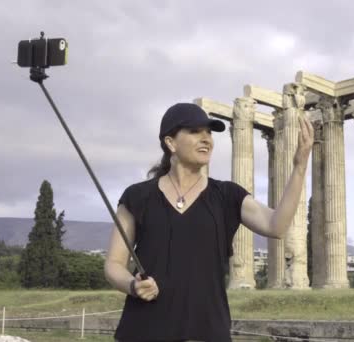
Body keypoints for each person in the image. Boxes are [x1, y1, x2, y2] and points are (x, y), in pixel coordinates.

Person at [104, 102, 313, 342]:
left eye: (209, 132)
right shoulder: (137, 197)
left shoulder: (227, 195)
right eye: (194, 131)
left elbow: (277, 226)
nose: (206, 139)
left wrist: (299, 167)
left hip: (207, 332)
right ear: (170, 142)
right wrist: (132, 285)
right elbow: (114, 263)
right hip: (144, 331)